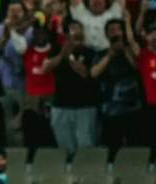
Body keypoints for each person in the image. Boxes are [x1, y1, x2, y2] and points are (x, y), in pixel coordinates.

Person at [44, 18, 99, 162]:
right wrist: (62, 54)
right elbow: (45, 69)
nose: (77, 33)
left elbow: (87, 74)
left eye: (80, 29)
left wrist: (71, 59)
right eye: (73, 29)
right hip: (61, 105)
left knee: (86, 145)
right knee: (65, 146)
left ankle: (87, 172)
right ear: (66, 34)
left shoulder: (90, 52)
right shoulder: (56, 51)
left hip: (85, 106)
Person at [91, 16, 143, 164]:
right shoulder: (101, 54)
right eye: (111, 30)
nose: (115, 33)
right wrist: (109, 55)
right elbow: (94, 73)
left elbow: (138, 66)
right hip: (110, 110)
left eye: (117, 30)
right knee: (111, 146)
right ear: (106, 35)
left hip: (133, 109)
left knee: (135, 145)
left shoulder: (131, 51)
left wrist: (125, 50)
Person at [0, 1, 34, 130]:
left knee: (26, 119)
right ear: (6, 13)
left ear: (24, 13)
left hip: (25, 84)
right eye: (11, 11)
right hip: (4, 82)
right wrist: (4, 36)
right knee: (5, 119)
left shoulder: (31, 31)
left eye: (18, 11)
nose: (14, 14)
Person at [20, 16, 58, 158]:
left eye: (43, 33)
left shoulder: (55, 51)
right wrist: (29, 22)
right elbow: (16, 38)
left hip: (51, 98)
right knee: (31, 132)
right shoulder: (27, 51)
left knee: (51, 133)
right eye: (37, 33)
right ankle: (31, 159)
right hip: (32, 99)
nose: (40, 36)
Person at [136, 9, 156, 164]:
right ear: (146, 37)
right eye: (152, 33)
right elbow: (132, 38)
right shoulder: (143, 55)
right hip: (151, 105)